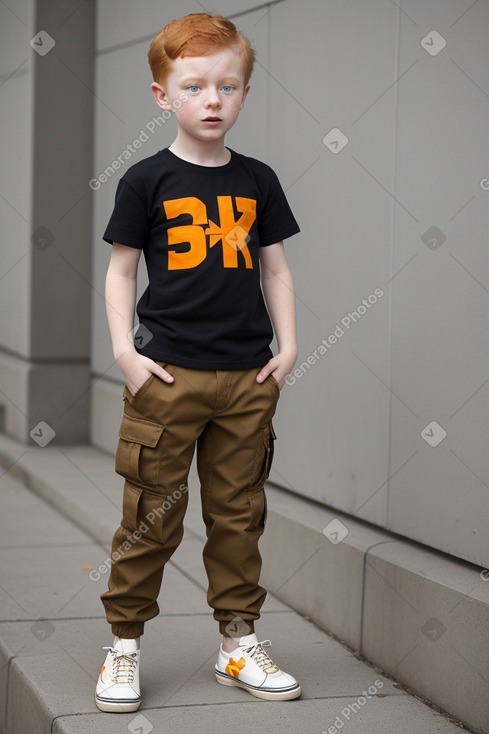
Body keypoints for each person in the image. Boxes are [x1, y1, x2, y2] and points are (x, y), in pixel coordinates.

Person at [95, 12, 301, 713]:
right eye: (194, 86)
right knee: (151, 517)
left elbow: (274, 269)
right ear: (163, 96)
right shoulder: (145, 181)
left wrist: (290, 345)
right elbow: (121, 273)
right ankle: (123, 646)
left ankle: (237, 645)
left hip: (246, 381)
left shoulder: (258, 181)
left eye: (228, 85)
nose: (212, 100)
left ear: (243, 92)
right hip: (167, 378)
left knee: (238, 518)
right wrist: (125, 352)